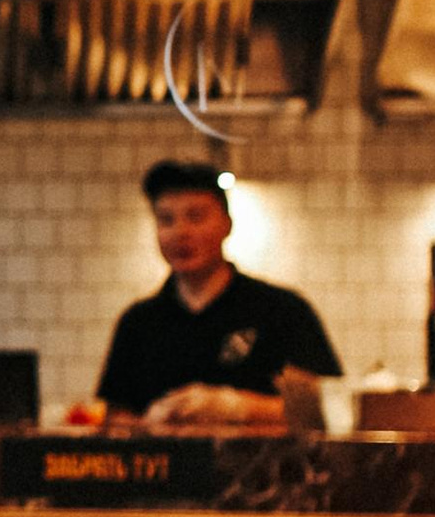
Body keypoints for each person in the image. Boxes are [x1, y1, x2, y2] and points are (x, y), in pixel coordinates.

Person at [94, 160, 341, 427]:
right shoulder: (138, 322)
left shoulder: (283, 310)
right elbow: (115, 420)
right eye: (166, 220)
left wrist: (236, 406)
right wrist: (149, 424)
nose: (181, 232)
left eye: (196, 217)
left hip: (263, 469)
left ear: (227, 225)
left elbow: (314, 415)